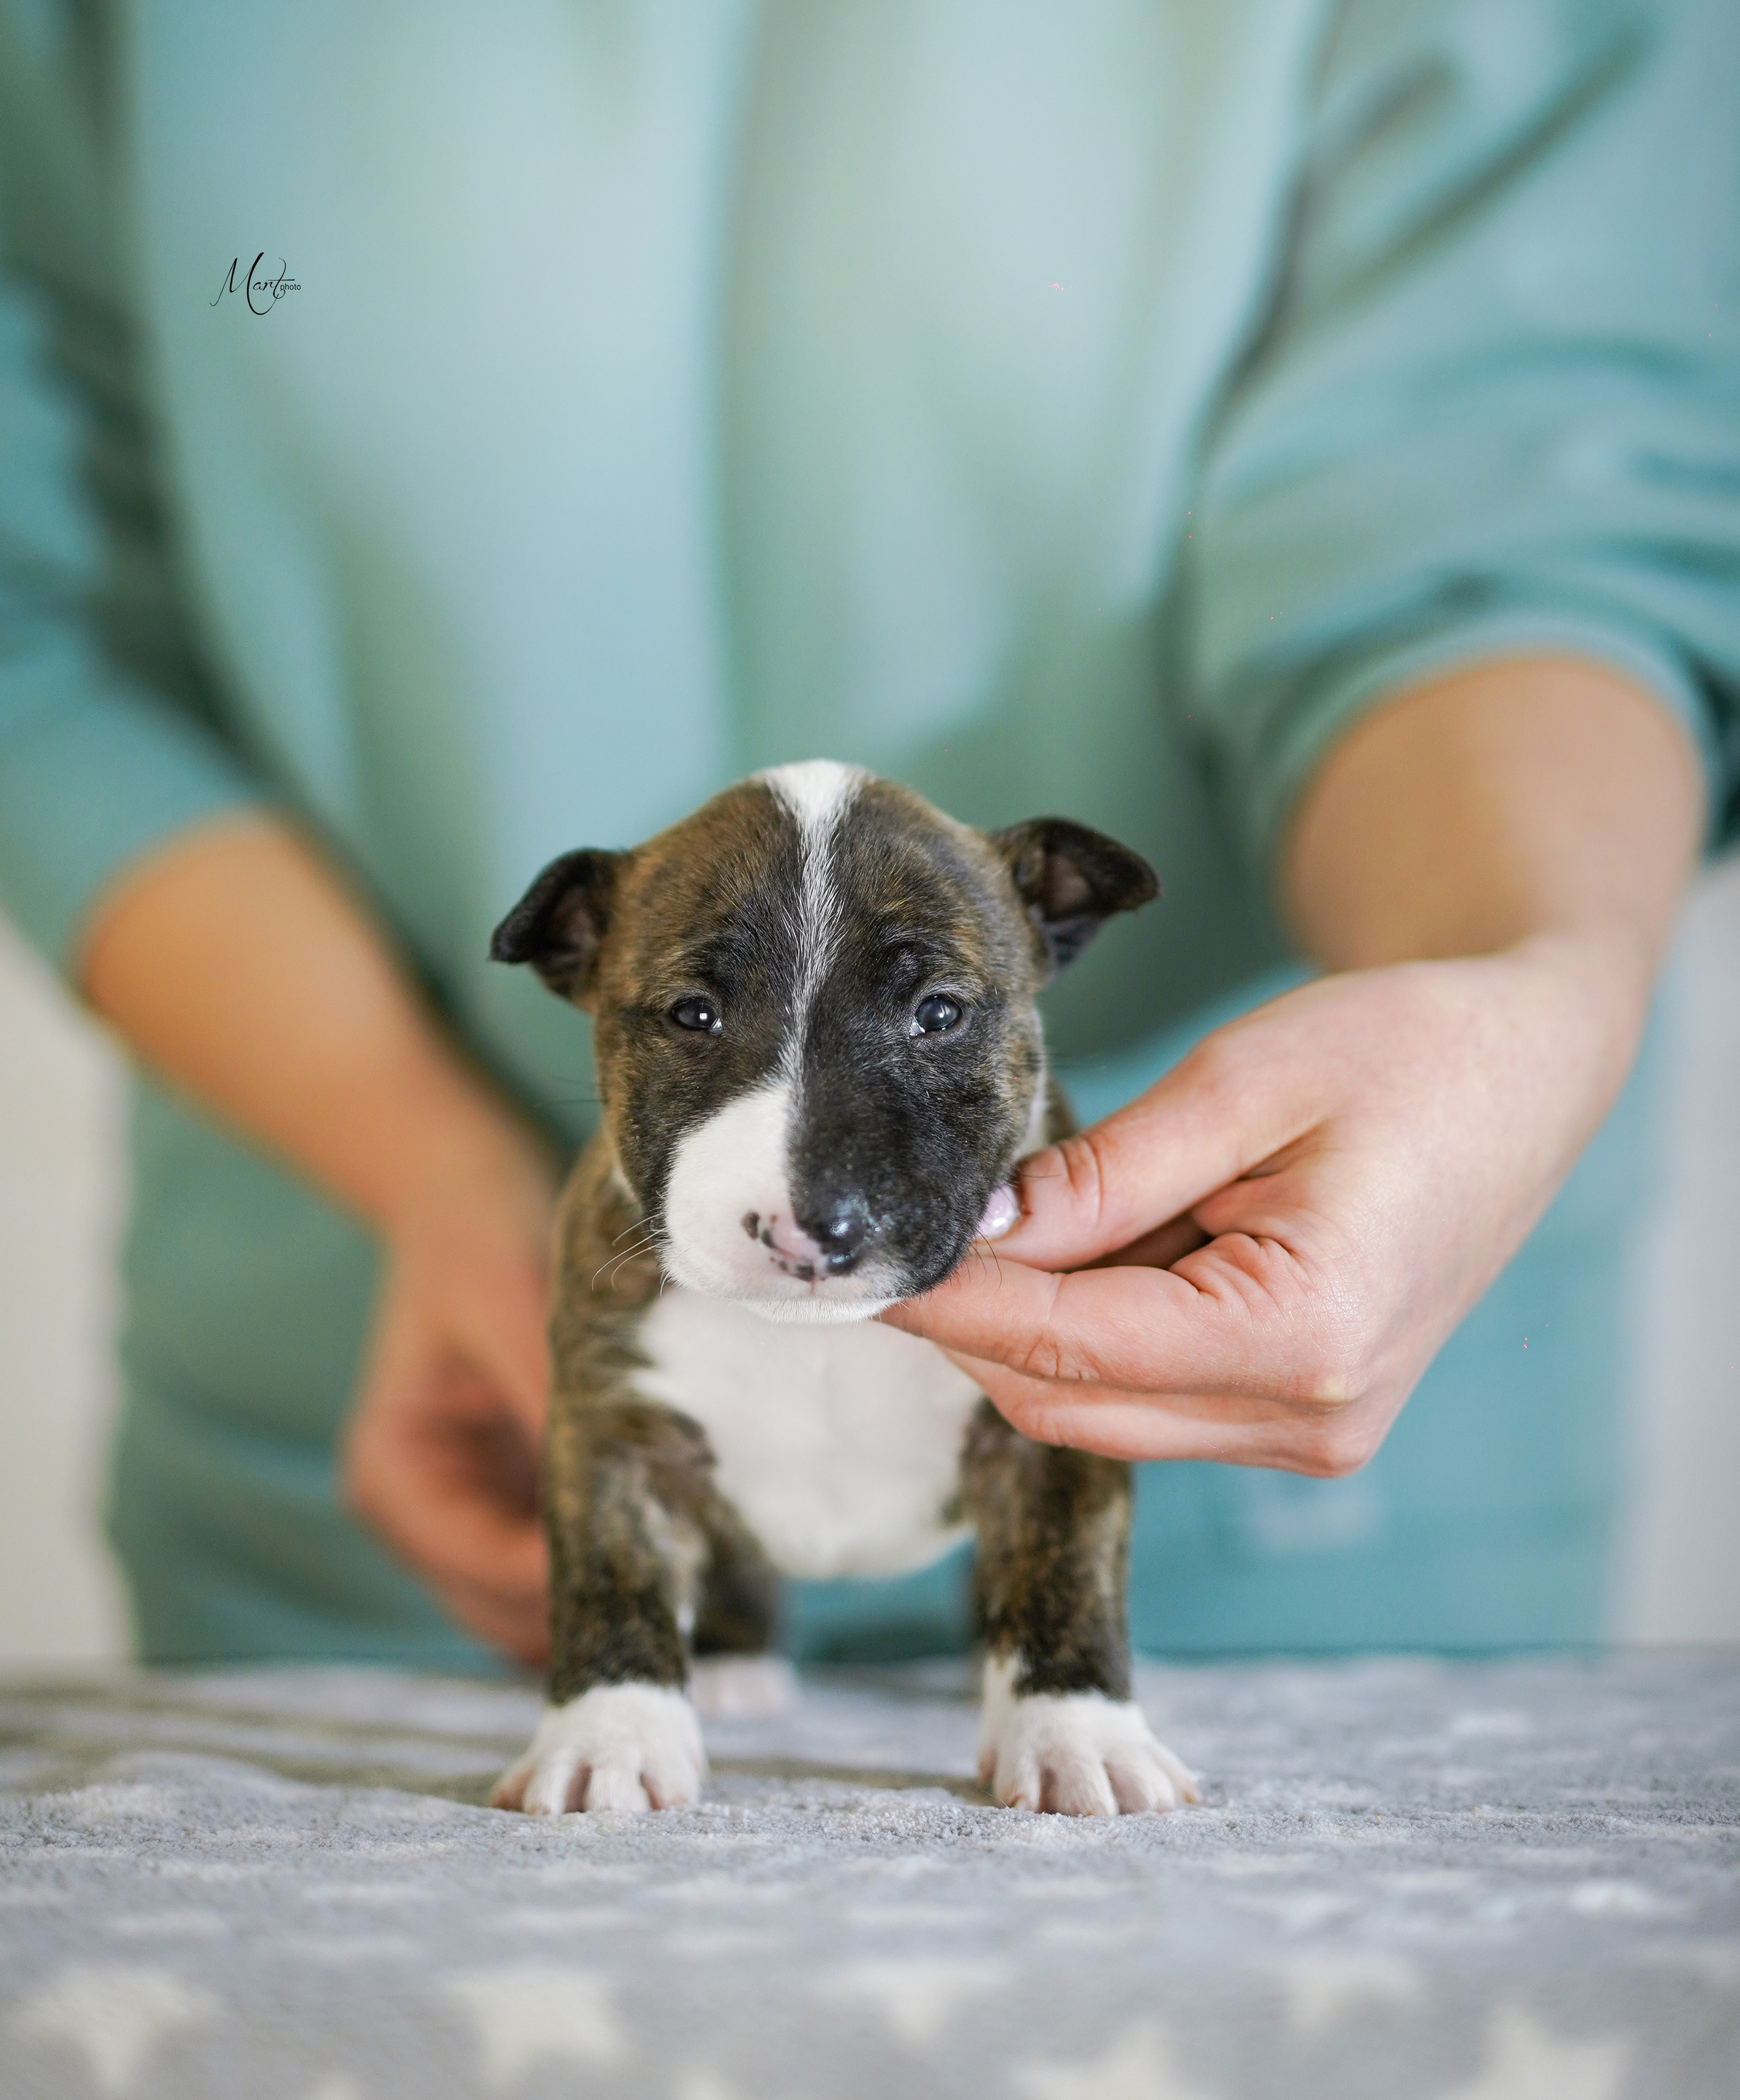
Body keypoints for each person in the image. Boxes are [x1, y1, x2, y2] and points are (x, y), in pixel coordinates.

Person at [1, 1, 1734, 1673]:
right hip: (431, 1417)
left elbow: (1530, 502)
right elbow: (40, 608)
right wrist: (435, 1174)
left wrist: (1529, 977)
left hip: (1266, 1425)